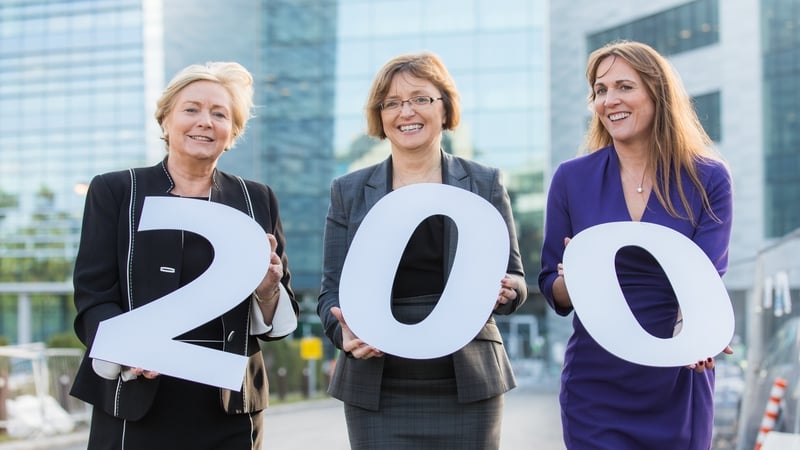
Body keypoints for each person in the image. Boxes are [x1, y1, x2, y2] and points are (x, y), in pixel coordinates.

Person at [69, 62, 299, 450]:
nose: (204, 122)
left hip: (228, 406)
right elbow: (93, 296)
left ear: (232, 133)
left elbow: (278, 311)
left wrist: (266, 291)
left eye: (220, 114)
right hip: (137, 395)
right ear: (165, 122)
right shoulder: (116, 191)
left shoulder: (256, 198)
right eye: (191, 109)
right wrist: (125, 350)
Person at [316, 52, 527, 450]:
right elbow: (331, 291)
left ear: (445, 107)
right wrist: (340, 330)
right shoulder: (348, 191)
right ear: (380, 116)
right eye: (391, 103)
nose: (405, 111)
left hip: (467, 378)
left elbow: (515, 276)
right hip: (377, 382)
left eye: (419, 98)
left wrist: (508, 290)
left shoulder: (484, 182)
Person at [538, 40, 733, 449]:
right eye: (600, 90)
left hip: (678, 377)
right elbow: (551, 289)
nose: (610, 100)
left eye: (624, 87)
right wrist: (573, 280)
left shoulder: (708, 178)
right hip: (596, 385)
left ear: (657, 92)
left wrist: (700, 329)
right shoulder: (571, 179)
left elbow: (707, 278)